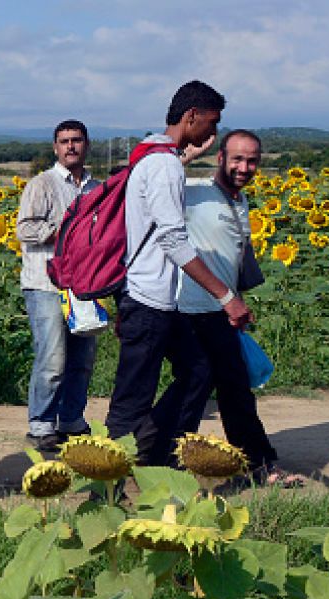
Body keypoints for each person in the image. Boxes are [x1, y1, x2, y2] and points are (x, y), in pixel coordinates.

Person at [104, 80, 253, 465]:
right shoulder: (164, 165)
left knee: (198, 371)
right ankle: (105, 487)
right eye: (211, 123)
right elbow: (173, 241)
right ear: (191, 116)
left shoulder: (150, 157)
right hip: (149, 302)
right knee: (131, 401)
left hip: (153, 301)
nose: (213, 133)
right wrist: (226, 296)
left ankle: (157, 457)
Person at [159, 130, 305, 485]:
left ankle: (163, 454)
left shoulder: (239, 202)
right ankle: (170, 461)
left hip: (221, 310)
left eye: (252, 160)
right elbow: (151, 185)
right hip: (188, 308)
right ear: (220, 158)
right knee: (203, 384)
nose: (244, 167)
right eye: (237, 158)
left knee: (225, 386)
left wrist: (235, 303)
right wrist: (185, 157)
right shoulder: (193, 191)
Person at [15, 120, 102, 452]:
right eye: (64, 141)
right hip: (45, 283)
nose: (70, 147)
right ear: (55, 147)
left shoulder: (96, 188)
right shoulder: (42, 185)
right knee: (52, 358)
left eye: (76, 140)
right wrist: (69, 231)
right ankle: (40, 425)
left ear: (86, 144)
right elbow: (25, 229)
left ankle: (71, 421)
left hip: (85, 284)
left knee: (82, 357)